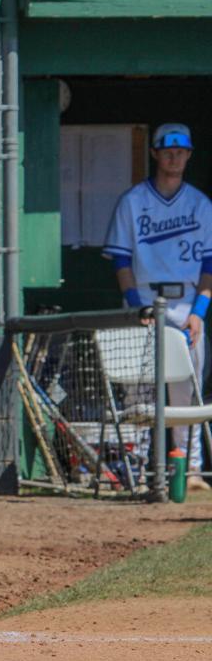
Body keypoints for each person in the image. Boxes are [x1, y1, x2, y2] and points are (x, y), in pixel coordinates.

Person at [104, 122, 212, 491]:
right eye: (167, 151)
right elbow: (121, 261)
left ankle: (191, 470)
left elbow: (209, 267)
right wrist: (136, 306)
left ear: (189, 155)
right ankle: (140, 471)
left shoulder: (201, 204)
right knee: (140, 392)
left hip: (185, 302)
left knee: (187, 391)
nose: (174, 157)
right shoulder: (133, 201)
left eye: (181, 151)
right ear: (154, 154)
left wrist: (199, 311)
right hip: (145, 299)